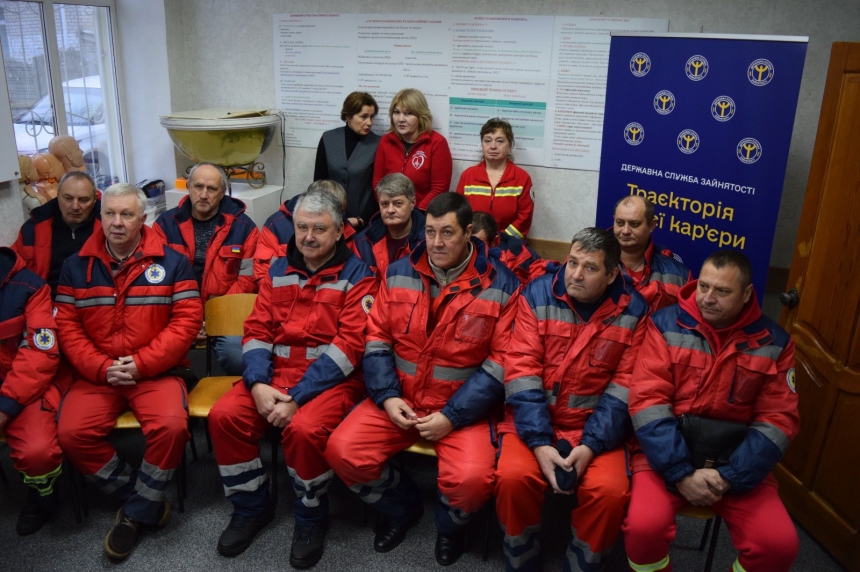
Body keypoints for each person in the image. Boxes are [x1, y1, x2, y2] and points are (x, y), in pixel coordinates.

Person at [326, 193, 520, 566]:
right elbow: (377, 338)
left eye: (447, 232)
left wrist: (452, 416)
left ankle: (449, 528)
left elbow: (501, 363)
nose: (436, 242)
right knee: (342, 451)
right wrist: (386, 397)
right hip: (399, 398)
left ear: (468, 233)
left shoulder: (502, 285)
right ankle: (402, 507)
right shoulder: (399, 271)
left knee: (473, 481)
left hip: (462, 409)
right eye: (430, 231)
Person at [209, 189, 377, 568]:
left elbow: (349, 348)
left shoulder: (360, 278)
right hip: (272, 376)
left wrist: (297, 397)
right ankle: (251, 507)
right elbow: (256, 331)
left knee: (303, 430)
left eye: (319, 228)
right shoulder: (279, 270)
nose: (308, 237)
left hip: (330, 382)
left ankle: (311, 516)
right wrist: (256, 383)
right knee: (225, 416)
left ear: (339, 232)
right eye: (302, 227)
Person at [624, 250, 799, 572]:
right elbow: (647, 402)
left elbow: (779, 420)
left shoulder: (775, 342)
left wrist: (730, 476)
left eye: (722, 291)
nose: (707, 298)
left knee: (778, 545)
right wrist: (681, 472)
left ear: (746, 294)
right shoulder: (664, 325)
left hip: (735, 463)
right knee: (643, 529)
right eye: (703, 286)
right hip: (665, 456)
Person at [55, 183, 202, 561]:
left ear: (143, 218)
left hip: (155, 371)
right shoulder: (75, 266)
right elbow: (67, 328)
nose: (117, 222)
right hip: (98, 374)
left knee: (172, 428)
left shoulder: (173, 262)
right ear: (100, 216)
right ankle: (142, 498)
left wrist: (141, 363)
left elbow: (187, 322)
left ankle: (134, 515)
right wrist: (102, 367)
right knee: (70, 434)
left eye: (126, 214)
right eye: (109, 213)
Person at [495, 227, 648, 572]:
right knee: (512, 478)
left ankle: (582, 565)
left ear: (612, 274)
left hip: (597, 429)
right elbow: (522, 370)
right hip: (532, 421)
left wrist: (591, 445)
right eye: (573, 262)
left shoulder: (635, 311)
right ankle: (522, 560)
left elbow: (624, 388)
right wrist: (539, 442)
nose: (575, 274)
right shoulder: (537, 293)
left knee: (610, 493)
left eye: (590, 268)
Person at [154, 162, 258, 375]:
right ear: (188, 187)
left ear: (223, 192)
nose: (203, 195)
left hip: (225, 313)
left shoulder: (245, 227)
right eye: (198, 186)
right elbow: (158, 280)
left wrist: (212, 317)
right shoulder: (165, 225)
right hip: (176, 314)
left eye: (211, 189)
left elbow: (247, 280)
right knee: (156, 354)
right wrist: (189, 319)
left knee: (237, 356)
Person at [0, 246, 61, 536]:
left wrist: (4, 408)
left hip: (21, 387)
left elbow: (40, 355)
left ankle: (43, 498)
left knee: (38, 452)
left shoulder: (30, 287)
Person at [13, 170, 100, 298]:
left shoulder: (109, 227)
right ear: (58, 196)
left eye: (83, 200)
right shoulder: (32, 229)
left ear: (94, 200)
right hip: (46, 300)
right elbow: (11, 267)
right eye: (68, 198)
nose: (75, 206)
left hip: (96, 301)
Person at [253, 180, 358, 283]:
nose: (309, 237)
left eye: (339, 212)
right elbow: (262, 274)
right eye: (302, 227)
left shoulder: (342, 226)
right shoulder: (275, 225)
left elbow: (353, 268)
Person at [372, 88, 452, 210]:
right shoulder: (385, 141)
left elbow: (439, 189)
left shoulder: (437, 143)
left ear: (421, 116)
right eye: (396, 112)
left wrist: (414, 214)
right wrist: (389, 209)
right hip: (389, 212)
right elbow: (378, 184)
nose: (401, 119)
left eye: (408, 113)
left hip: (422, 214)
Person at [456, 118, 535, 240]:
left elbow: (525, 218)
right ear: (482, 144)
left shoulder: (522, 178)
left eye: (500, 141)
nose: (493, 146)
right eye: (487, 141)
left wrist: (501, 239)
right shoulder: (468, 176)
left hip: (509, 244)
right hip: (473, 242)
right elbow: (458, 213)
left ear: (510, 145)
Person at [314, 91, 381, 229]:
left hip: (362, 221)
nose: (369, 123)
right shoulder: (328, 138)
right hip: (329, 217)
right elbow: (319, 181)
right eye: (363, 117)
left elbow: (377, 188)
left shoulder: (378, 144)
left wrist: (361, 219)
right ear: (348, 116)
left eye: (372, 117)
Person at [613, 195, 692, 311]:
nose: (625, 231)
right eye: (620, 223)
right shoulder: (593, 261)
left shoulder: (680, 275)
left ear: (651, 225)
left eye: (634, 224)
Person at [352, 173, 425, 279]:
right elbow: (359, 283)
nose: (390, 210)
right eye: (385, 204)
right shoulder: (363, 242)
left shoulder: (427, 241)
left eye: (397, 203)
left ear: (412, 203)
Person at [472, 211, 553, 284]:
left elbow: (540, 278)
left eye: (478, 243)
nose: (472, 248)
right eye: (469, 242)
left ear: (493, 241)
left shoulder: (517, 256)